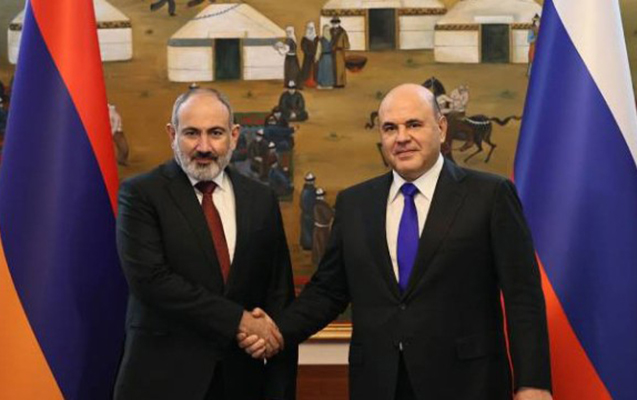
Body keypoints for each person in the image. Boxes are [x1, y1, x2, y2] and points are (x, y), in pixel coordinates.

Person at [240, 84, 552, 400]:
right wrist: (276, 331)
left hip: (468, 384)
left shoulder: (490, 195)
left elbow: (522, 295)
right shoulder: (355, 203)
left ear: (442, 128)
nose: (401, 137)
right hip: (379, 383)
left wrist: (533, 383)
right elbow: (328, 291)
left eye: (413, 125)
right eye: (390, 128)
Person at [114, 88, 297, 400]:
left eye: (215, 133)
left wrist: (272, 347)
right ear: (172, 134)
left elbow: (278, 290)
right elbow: (151, 281)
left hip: (243, 380)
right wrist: (240, 321)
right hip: (162, 381)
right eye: (191, 133)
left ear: (234, 136)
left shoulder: (261, 199)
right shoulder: (141, 194)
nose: (204, 147)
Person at [311, 187, 334, 267]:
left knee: (318, 245)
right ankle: (322, 261)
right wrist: (332, 210)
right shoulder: (322, 205)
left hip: (318, 228)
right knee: (322, 245)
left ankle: (317, 260)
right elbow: (329, 215)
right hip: (322, 229)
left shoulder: (316, 204)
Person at [329, 17, 350, 89]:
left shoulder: (342, 32)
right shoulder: (330, 31)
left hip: (339, 52)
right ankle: (333, 82)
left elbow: (346, 44)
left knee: (340, 67)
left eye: (336, 23)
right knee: (332, 67)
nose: (334, 24)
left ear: (339, 23)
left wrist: (340, 47)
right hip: (332, 52)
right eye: (333, 23)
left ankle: (340, 83)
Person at [299, 172, 317, 250]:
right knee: (309, 230)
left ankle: (307, 245)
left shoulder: (305, 191)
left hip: (306, 214)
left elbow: (301, 204)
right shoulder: (310, 191)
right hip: (310, 214)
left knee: (306, 230)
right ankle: (308, 245)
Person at [315, 24, 335, 89]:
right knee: (322, 70)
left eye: (328, 30)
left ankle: (329, 84)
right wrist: (317, 57)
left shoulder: (332, 39)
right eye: (326, 30)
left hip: (329, 57)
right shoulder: (321, 40)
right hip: (323, 57)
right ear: (323, 31)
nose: (327, 31)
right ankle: (321, 84)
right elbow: (318, 49)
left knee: (329, 71)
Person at [300, 22, 319, 88]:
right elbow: (303, 47)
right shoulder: (304, 38)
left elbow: (318, 46)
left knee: (315, 69)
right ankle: (305, 81)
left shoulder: (316, 38)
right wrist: (308, 53)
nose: (310, 30)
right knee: (306, 69)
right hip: (307, 57)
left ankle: (315, 81)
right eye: (309, 28)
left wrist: (315, 53)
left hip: (314, 56)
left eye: (311, 28)